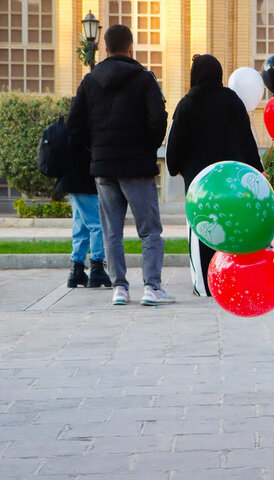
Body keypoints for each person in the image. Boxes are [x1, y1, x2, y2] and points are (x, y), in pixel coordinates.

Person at [66, 24, 174, 306]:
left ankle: (120, 288)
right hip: (137, 166)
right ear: (130, 47)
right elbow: (158, 120)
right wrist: (146, 147)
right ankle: (152, 287)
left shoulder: (90, 80)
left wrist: (96, 148)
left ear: (105, 49)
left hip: (104, 168)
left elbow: (74, 124)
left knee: (111, 231)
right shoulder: (144, 78)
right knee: (149, 230)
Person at [166, 54, 264, 296]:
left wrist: (174, 166)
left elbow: (174, 144)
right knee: (232, 233)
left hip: (200, 187)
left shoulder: (187, 103)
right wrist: (256, 168)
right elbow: (247, 138)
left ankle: (205, 286)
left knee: (201, 234)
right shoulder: (232, 101)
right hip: (233, 185)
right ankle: (232, 284)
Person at [57, 144, 111, 289]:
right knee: (98, 224)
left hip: (73, 178)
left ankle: (77, 270)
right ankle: (97, 268)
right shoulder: (85, 123)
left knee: (81, 225)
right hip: (83, 179)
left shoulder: (73, 124)